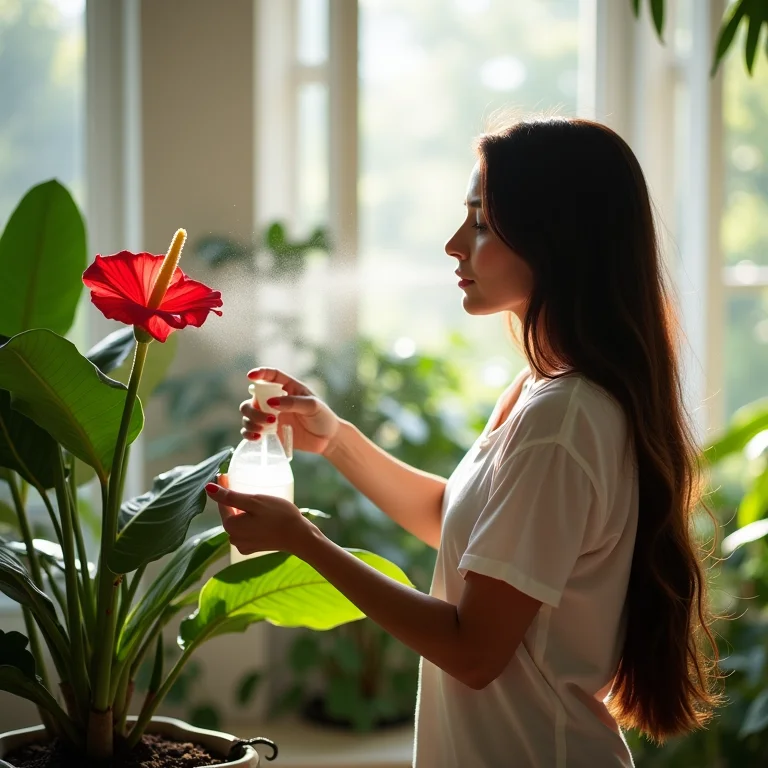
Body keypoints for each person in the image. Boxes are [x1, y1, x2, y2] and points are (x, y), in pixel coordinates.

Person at [205, 116, 722, 767]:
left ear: (554, 236)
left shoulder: (563, 421)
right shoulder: (542, 393)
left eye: (480, 222)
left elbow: (474, 651)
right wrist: (336, 441)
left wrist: (302, 542)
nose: (455, 245)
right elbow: (460, 523)